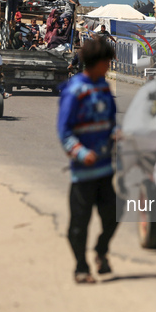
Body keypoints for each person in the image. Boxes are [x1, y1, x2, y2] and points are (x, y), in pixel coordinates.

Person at [57, 37, 119, 284]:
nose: (110, 66)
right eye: (108, 61)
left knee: (113, 217)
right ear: (98, 62)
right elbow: (64, 131)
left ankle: (101, 251)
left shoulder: (103, 87)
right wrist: (81, 153)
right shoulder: (74, 90)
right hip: (83, 173)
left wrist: (115, 134)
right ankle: (81, 267)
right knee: (79, 226)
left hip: (105, 168)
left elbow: (111, 120)